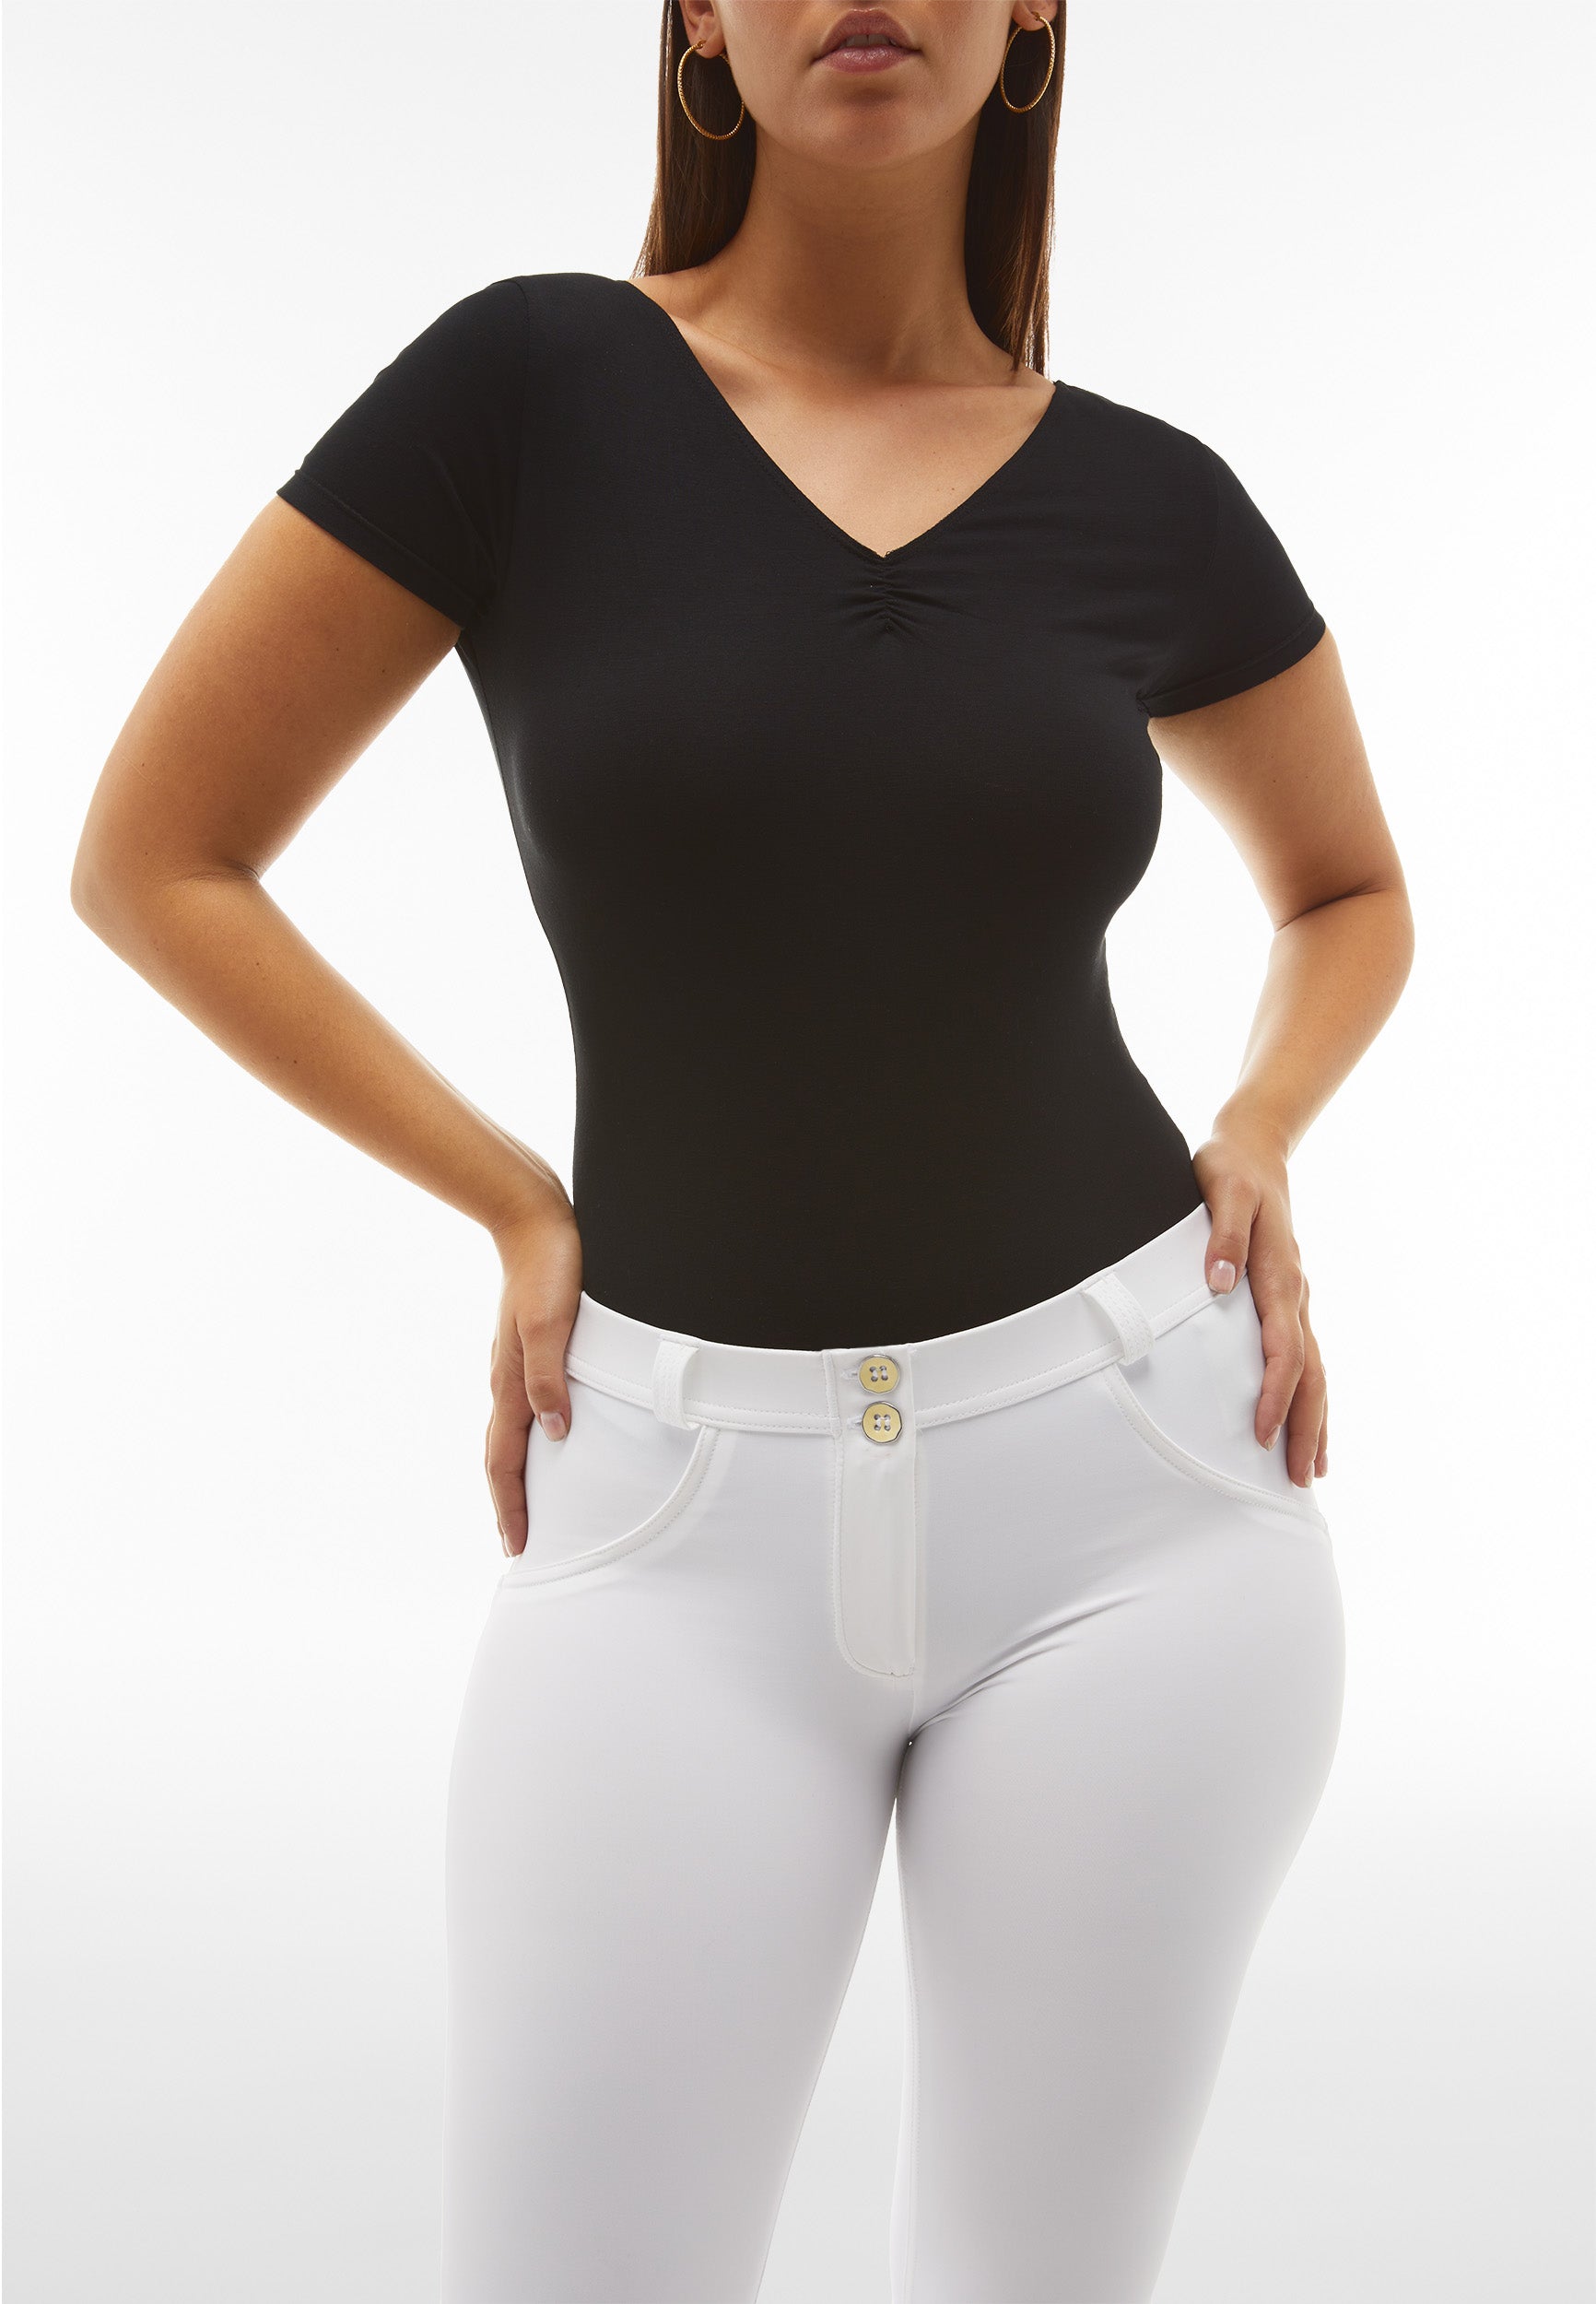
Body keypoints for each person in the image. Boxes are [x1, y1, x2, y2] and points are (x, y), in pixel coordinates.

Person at [70, 2, 1414, 2297]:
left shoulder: (1147, 499)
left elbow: (1344, 888)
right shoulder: (529, 393)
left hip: (1134, 1508)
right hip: (670, 1522)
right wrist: (511, 1196)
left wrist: (1263, 1121)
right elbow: (157, 855)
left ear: (1034, 12)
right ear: (694, 13)